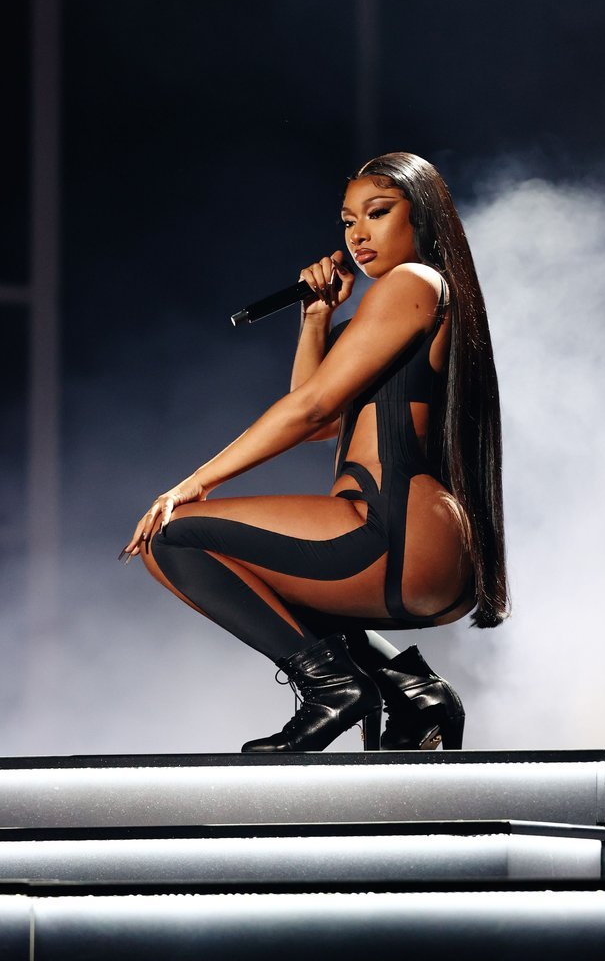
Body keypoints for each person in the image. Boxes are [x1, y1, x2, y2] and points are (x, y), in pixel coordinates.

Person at [120, 152, 510, 752]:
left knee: (173, 537)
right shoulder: (410, 299)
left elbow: (310, 408)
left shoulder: (413, 281)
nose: (358, 235)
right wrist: (317, 319)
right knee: (252, 573)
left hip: (391, 530)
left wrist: (195, 482)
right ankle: (409, 689)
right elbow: (320, 420)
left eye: (378, 213)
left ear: (423, 216)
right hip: (416, 541)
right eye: (348, 220)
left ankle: (335, 689)